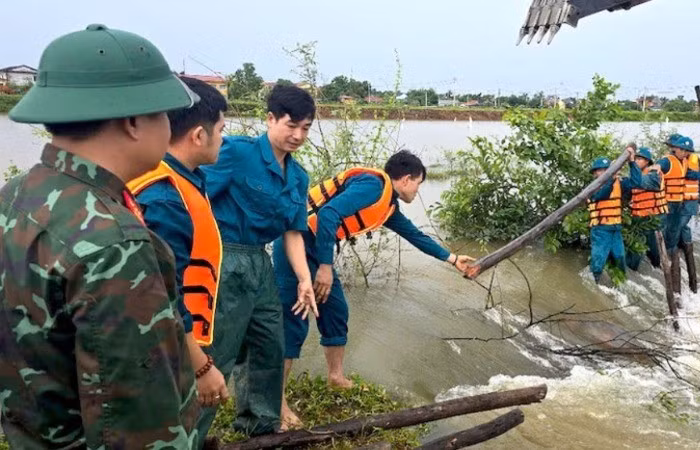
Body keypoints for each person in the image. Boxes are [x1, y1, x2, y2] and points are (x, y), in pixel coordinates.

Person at [0, 24, 201, 448]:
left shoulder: (17, 195)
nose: (170, 126)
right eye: (164, 114)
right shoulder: (115, 244)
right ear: (132, 120)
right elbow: (138, 428)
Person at [272, 150, 476, 427]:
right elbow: (329, 214)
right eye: (418, 183)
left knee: (336, 310)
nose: (417, 191)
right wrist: (325, 267)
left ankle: (336, 377)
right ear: (405, 179)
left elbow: (414, 234)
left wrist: (453, 259)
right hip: (295, 244)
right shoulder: (372, 186)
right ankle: (278, 404)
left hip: (317, 248)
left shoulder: (388, 205)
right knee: (293, 321)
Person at [195, 84, 318, 439]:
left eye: (306, 128)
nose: (297, 135)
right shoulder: (235, 152)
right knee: (218, 350)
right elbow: (196, 201)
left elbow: (293, 231)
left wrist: (304, 278)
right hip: (223, 257)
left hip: (259, 264)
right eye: (291, 125)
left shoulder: (298, 176)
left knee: (268, 345)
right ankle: (189, 435)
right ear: (270, 119)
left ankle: (260, 427)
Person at [128, 77, 230, 410]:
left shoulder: (171, 176)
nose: (223, 138)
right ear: (199, 135)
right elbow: (163, 295)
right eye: (221, 130)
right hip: (159, 352)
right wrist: (200, 366)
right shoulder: (167, 200)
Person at [656, 134, 700, 293]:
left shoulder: (687, 162)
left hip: (684, 201)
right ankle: (664, 253)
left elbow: (694, 177)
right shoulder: (668, 161)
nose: (672, 148)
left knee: (677, 227)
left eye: (686, 150)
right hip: (671, 201)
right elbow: (657, 170)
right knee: (667, 227)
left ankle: (671, 251)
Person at [622, 146, 668, 271]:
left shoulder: (654, 174)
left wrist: (631, 164)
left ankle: (657, 269)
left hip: (653, 218)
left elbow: (640, 182)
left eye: (640, 159)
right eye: (635, 158)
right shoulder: (635, 176)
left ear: (647, 162)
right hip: (638, 218)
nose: (637, 161)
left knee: (654, 250)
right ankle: (633, 270)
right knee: (636, 246)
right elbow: (626, 195)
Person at [587, 151, 630, 282]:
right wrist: (611, 177)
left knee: (620, 257)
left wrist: (631, 163)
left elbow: (635, 182)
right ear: (595, 173)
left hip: (616, 228)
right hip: (600, 229)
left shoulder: (619, 183)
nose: (603, 173)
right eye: (600, 171)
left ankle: (620, 284)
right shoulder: (593, 188)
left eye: (606, 170)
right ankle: (595, 282)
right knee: (598, 259)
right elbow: (602, 195)